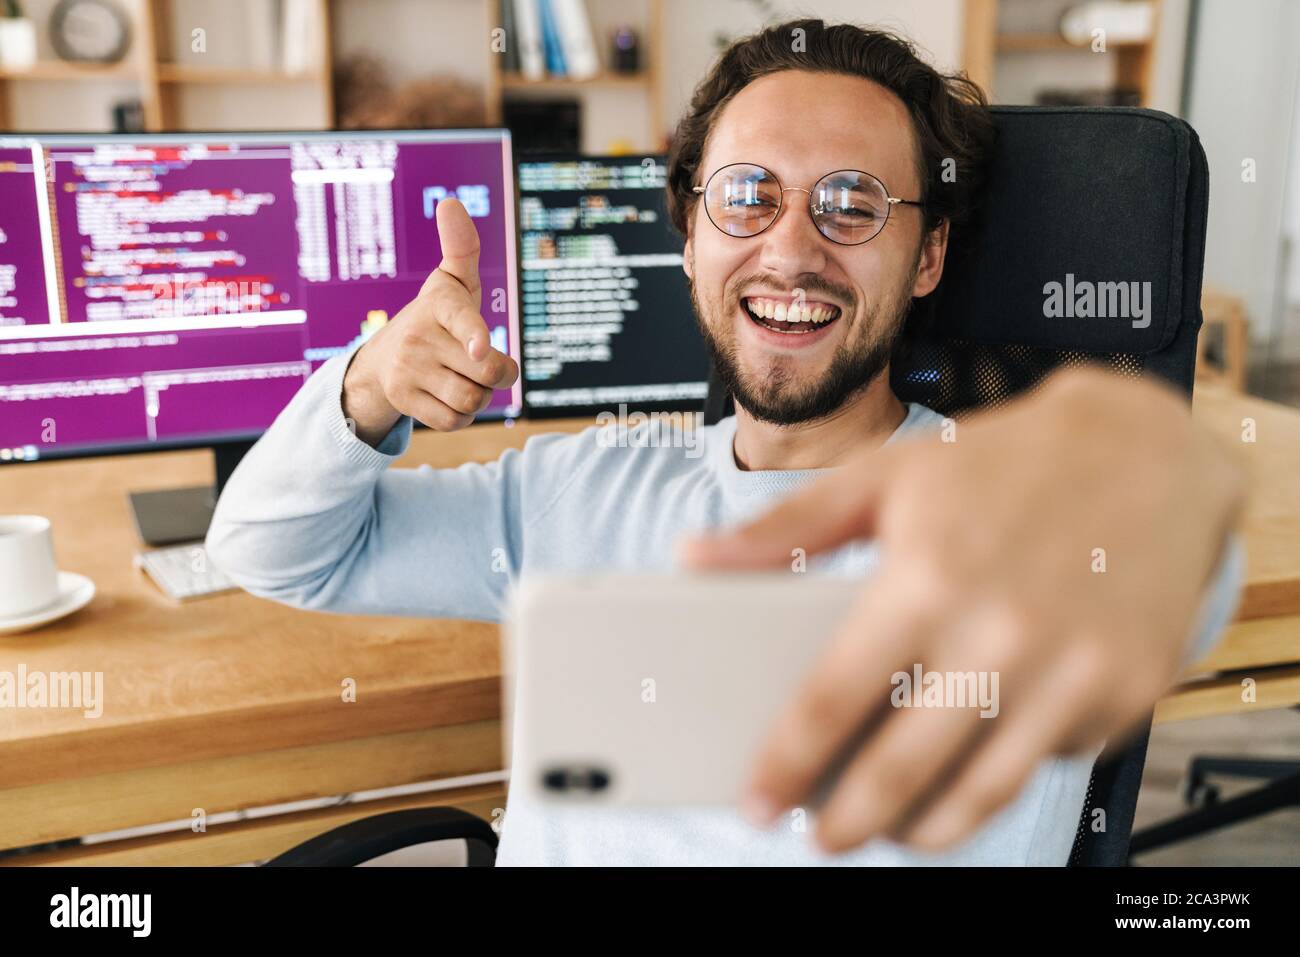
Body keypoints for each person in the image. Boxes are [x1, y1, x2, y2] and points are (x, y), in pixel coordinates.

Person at [206, 20, 1244, 865]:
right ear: (692, 237)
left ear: (927, 255)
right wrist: (367, 385)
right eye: (747, 197)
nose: (790, 250)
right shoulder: (579, 488)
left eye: (852, 204)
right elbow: (271, 550)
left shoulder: (1002, 516)